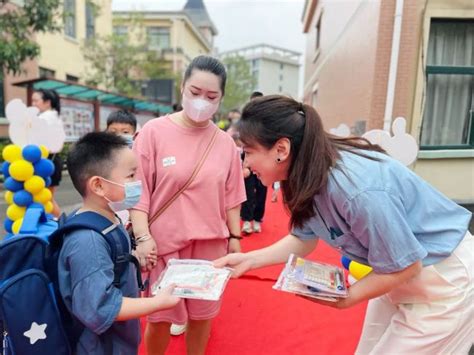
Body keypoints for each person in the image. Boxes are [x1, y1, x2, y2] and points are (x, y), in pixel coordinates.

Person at [215, 95, 473, 354]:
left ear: (281, 149)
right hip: (397, 270)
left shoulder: (356, 189)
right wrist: (250, 260)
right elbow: (303, 239)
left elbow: (407, 265)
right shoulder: (308, 174)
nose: (245, 163)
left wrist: (347, 297)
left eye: (248, 152)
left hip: (446, 278)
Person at [131, 55, 246, 355]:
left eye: (211, 96)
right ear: (182, 87)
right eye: (195, 93)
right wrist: (143, 238)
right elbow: (139, 192)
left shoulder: (225, 145)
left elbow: (232, 197)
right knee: (159, 319)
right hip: (163, 247)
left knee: (201, 317)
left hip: (210, 247)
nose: (201, 101)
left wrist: (235, 239)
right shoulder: (152, 133)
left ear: (221, 98)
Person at [59, 132, 180, 354]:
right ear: (98, 186)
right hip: (100, 347)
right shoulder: (88, 241)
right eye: (131, 175)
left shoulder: (109, 218)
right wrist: (159, 302)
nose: (138, 183)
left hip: (118, 341)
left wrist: (132, 261)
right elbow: (100, 308)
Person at [31, 89, 64, 217]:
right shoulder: (54, 116)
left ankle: (62, 226)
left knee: (46, 199)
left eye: (36, 100)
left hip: (47, 161)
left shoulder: (45, 117)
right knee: (47, 198)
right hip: (52, 160)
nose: (33, 104)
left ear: (47, 102)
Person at [240, 92, 267, 234]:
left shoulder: (268, 123)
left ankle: (257, 220)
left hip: (264, 162)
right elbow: (242, 145)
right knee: (247, 192)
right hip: (248, 161)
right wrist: (244, 164)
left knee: (262, 192)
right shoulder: (245, 122)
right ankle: (246, 221)